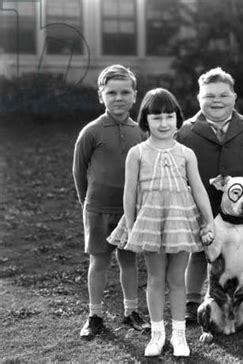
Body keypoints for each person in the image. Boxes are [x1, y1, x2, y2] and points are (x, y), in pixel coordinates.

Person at [107, 88, 214, 357]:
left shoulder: (186, 153)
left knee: (177, 278)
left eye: (169, 117)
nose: (164, 123)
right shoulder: (138, 153)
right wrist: (132, 228)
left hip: (180, 219)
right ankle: (157, 335)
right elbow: (129, 193)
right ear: (146, 121)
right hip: (150, 222)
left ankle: (179, 336)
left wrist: (209, 221)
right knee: (155, 278)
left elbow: (198, 188)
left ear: (178, 119)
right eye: (157, 118)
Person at [176, 67, 243, 322]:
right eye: (209, 96)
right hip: (202, 208)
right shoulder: (185, 131)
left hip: (242, 211)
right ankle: (192, 302)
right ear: (199, 98)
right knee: (199, 253)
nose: (216, 100)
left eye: (223, 94)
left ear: (235, 97)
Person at [72, 64, 149, 340]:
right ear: (100, 96)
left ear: (135, 95)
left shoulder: (141, 131)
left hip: (129, 211)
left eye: (125, 92)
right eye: (112, 92)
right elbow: (79, 171)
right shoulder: (91, 131)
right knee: (99, 261)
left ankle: (131, 311)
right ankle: (95, 315)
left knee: (129, 261)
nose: (119, 97)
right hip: (98, 210)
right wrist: (87, 203)